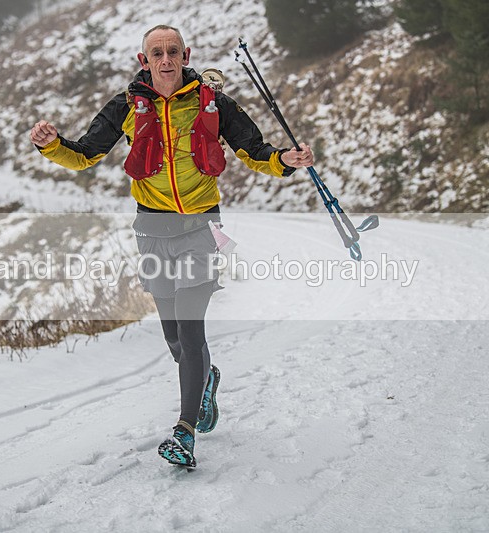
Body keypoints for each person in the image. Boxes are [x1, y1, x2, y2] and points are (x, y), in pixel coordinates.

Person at [30, 24, 314, 468]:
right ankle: (205, 380)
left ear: (186, 55)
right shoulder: (127, 106)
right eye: (157, 53)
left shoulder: (213, 102)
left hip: (201, 229)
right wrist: (52, 146)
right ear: (144, 61)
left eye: (173, 51)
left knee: (190, 327)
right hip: (151, 232)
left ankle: (184, 431)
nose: (166, 60)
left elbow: (254, 150)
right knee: (174, 338)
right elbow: (85, 154)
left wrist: (286, 161)